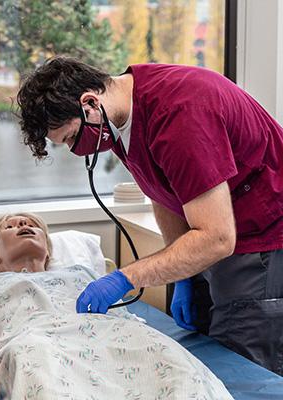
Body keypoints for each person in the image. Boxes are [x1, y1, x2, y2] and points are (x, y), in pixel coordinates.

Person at [16, 56, 283, 375]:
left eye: (72, 138)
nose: (77, 150)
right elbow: (163, 190)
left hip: (263, 233)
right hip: (220, 225)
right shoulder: (118, 118)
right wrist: (184, 277)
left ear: (90, 103)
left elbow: (218, 238)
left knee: (240, 363)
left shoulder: (179, 115)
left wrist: (125, 278)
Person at [0, 213, 233, 400]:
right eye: (10, 227)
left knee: (174, 365)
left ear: (48, 249)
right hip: (37, 342)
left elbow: (122, 315)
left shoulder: (84, 274)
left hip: (115, 336)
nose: (23, 224)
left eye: (31, 224)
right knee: (43, 370)